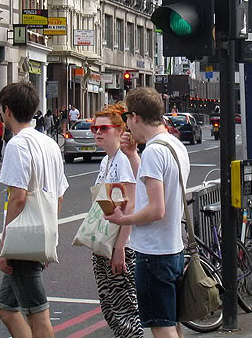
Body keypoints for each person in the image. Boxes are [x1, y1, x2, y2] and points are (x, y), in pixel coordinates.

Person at [106, 87, 189, 338]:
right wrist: (132, 156)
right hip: (172, 248)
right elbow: (155, 186)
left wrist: (124, 219)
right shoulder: (173, 145)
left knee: (161, 327)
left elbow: (156, 209)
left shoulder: (154, 150)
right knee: (171, 322)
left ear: (137, 117)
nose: (127, 125)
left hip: (154, 254)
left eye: (126, 118)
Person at [0, 81, 69, 338]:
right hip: (41, 231)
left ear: (7, 110)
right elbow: (59, 195)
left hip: (23, 236)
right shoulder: (48, 143)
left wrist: (6, 243)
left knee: (38, 313)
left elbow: (17, 197)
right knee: (5, 308)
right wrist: (49, 235)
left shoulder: (17, 145)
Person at [89, 104, 143, 338]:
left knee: (125, 311)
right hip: (104, 243)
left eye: (103, 128)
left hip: (121, 246)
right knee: (110, 309)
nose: (97, 132)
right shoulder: (106, 162)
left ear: (120, 130)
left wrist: (120, 248)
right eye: (94, 128)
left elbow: (130, 204)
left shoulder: (124, 160)